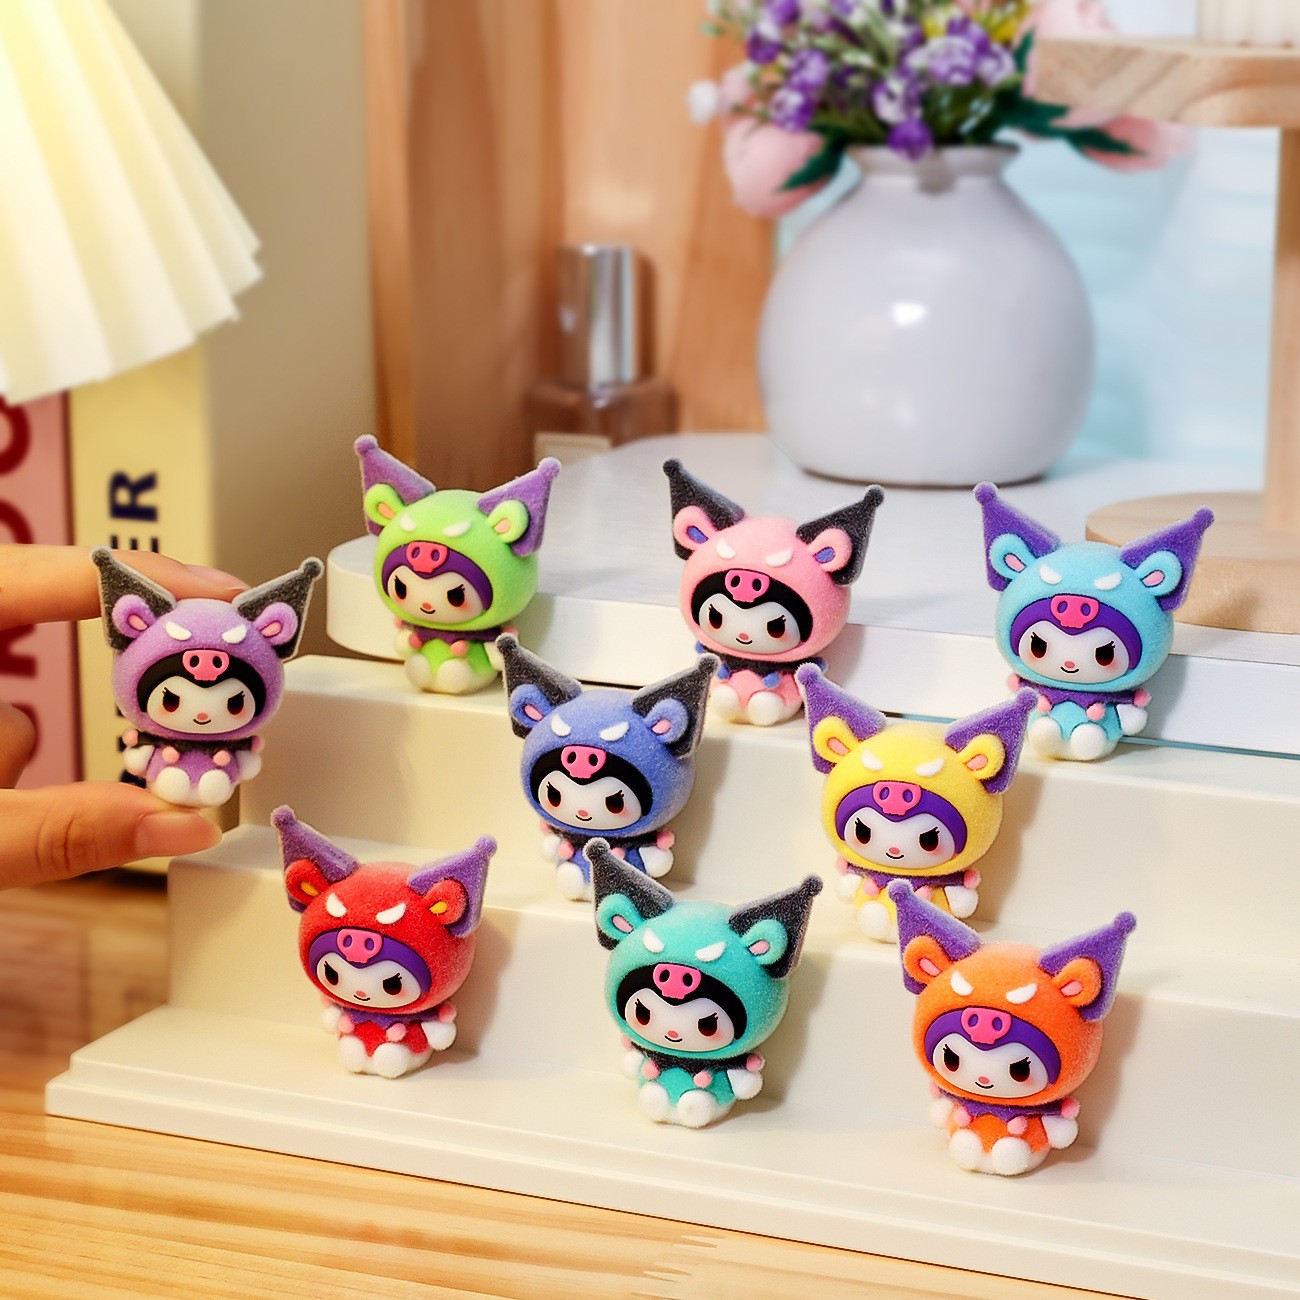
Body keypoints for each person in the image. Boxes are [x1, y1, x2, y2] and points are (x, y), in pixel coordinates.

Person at [0, 544, 242, 889]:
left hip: (214, 771)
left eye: (233, 704)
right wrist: (141, 755)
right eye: (172, 701)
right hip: (170, 769)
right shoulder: (153, 730)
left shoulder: (231, 740)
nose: (203, 713)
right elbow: (140, 755)